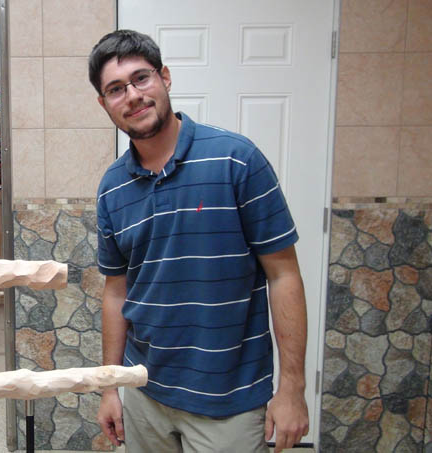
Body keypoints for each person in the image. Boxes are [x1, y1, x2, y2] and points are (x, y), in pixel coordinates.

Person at [89, 29, 309, 453]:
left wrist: (292, 389)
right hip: (143, 394)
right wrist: (109, 387)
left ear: (165, 77)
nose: (132, 95)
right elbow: (116, 291)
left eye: (141, 78)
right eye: (116, 89)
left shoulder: (236, 160)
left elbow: (284, 275)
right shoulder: (112, 188)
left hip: (229, 400)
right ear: (104, 104)